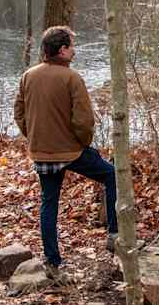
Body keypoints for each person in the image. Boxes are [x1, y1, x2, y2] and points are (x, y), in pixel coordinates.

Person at [14, 25, 121, 277]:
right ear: (62, 50)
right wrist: (83, 144)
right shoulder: (72, 78)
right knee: (112, 175)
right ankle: (115, 235)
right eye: (72, 46)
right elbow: (83, 121)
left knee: (48, 202)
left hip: (41, 151)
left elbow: (18, 113)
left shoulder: (28, 75)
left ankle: (52, 261)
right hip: (71, 151)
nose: (75, 51)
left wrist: (34, 137)